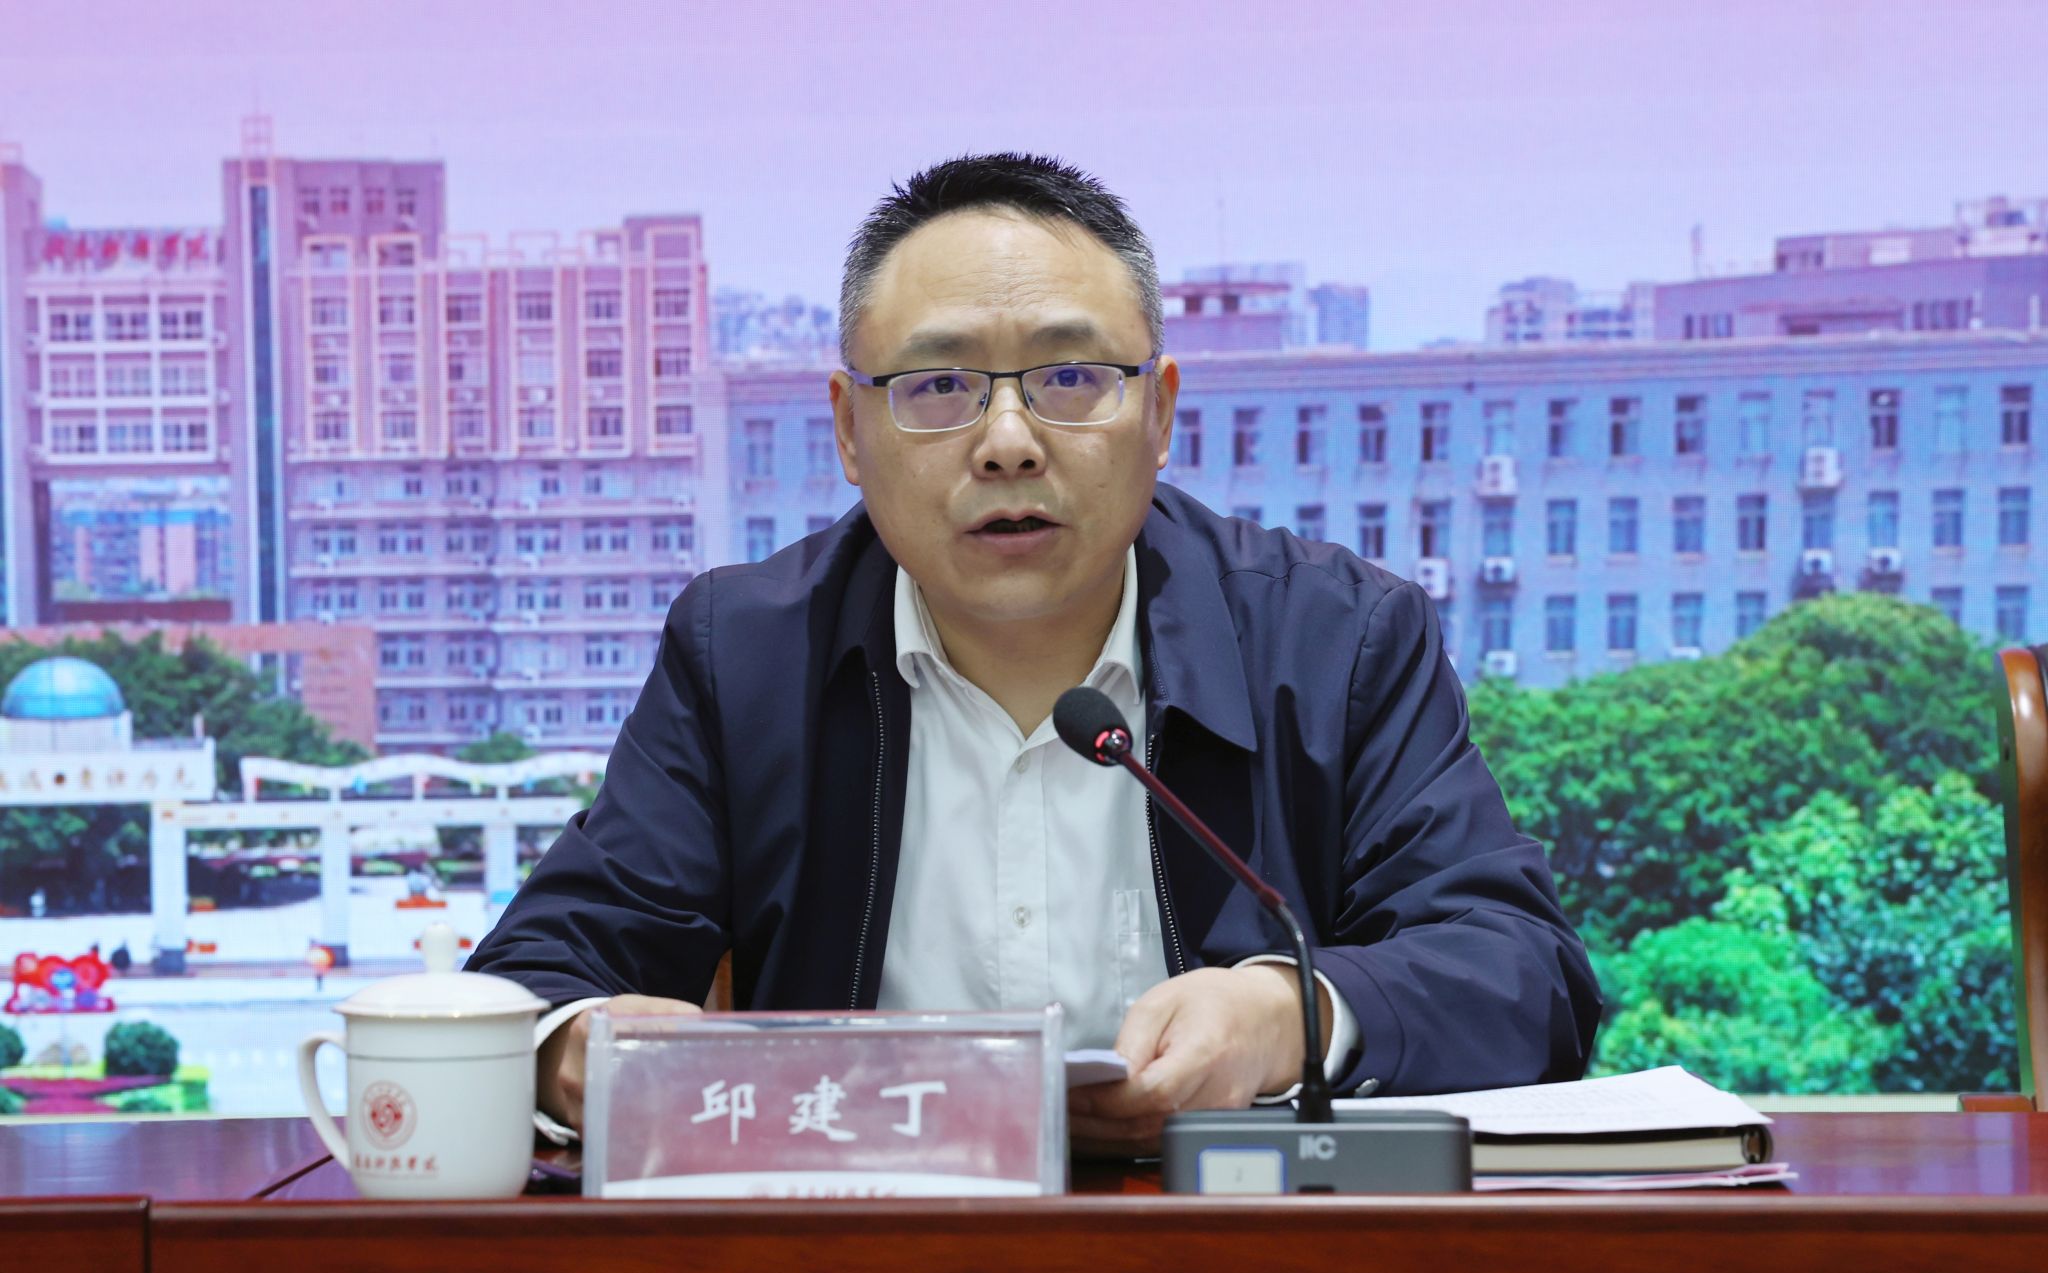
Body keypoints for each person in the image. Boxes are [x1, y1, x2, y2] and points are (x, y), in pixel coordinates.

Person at [468, 153, 1601, 1154]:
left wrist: (1284, 1015)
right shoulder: (746, 657)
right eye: (937, 386)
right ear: (849, 431)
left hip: (1236, 1258)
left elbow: (1523, 973)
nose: (1007, 443)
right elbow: (537, 977)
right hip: (859, 1255)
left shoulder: (1335, 639)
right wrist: (575, 1049)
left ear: (1159, 413)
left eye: (1069, 379)